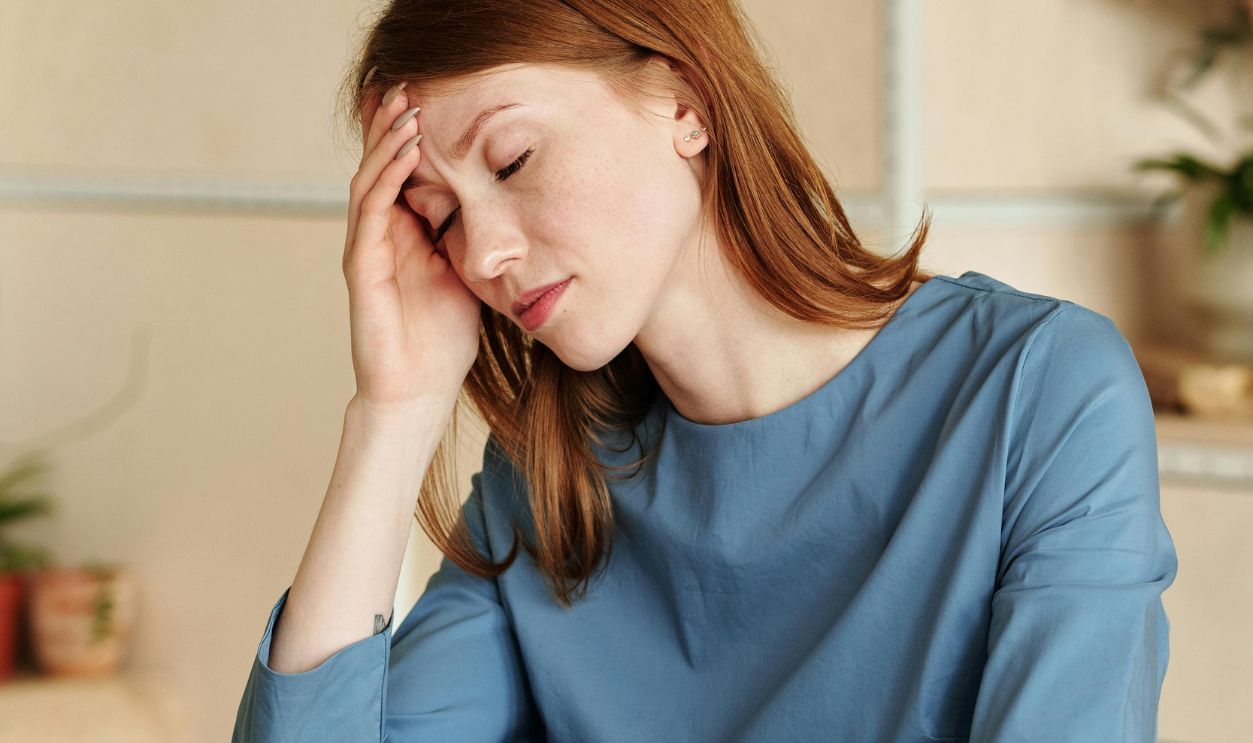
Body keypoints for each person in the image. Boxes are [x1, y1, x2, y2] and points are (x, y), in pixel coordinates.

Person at [232, 1, 1178, 741]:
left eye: (512, 160)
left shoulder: (1036, 392)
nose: (479, 255)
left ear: (682, 103)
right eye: (438, 216)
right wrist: (393, 411)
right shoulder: (540, 482)